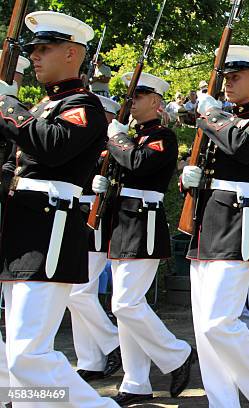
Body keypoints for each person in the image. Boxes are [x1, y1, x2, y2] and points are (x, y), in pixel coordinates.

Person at [0, 10, 118, 407]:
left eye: (44, 49)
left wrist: (7, 107)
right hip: (23, 226)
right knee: (17, 355)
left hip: (49, 227)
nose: (34, 57)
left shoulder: (84, 105)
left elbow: (52, 148)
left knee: (27, 355)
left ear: (72, 54)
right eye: (33, 50)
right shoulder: (42, 106)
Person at [180, 45, 249, 408]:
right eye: (225, 77)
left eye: (235, 77)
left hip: (236, 223)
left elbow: (242, 147)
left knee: (218, 322)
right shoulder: (223, 119)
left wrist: (210, 116)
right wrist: (189, 178)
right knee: (204, 330)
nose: (227, 84)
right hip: (206, 224)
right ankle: (221, 402)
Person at [92, 72, 194, 405]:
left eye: (137, 97)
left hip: (142, 225)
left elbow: (138, 163)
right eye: (130, 97)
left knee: (125, 303)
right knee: (123, 307)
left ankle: (177, 354)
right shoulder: (133, 135)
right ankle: (135, 382)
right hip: (121, 224)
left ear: (155, 101)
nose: (130, 102)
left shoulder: (161, 136)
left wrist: (116, 141)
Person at [68, 95, 122, 383]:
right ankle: (91, 360)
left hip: (97, 217)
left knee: (79, 292)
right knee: (78, 293)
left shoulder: (112, 147)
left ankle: (114, 343)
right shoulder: (84, 142)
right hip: (77, 214)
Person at [0, 48, 30, 408]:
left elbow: (14, 168)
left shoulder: (17, 120)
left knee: (27, 346)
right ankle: (11, 391)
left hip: (11, 219)